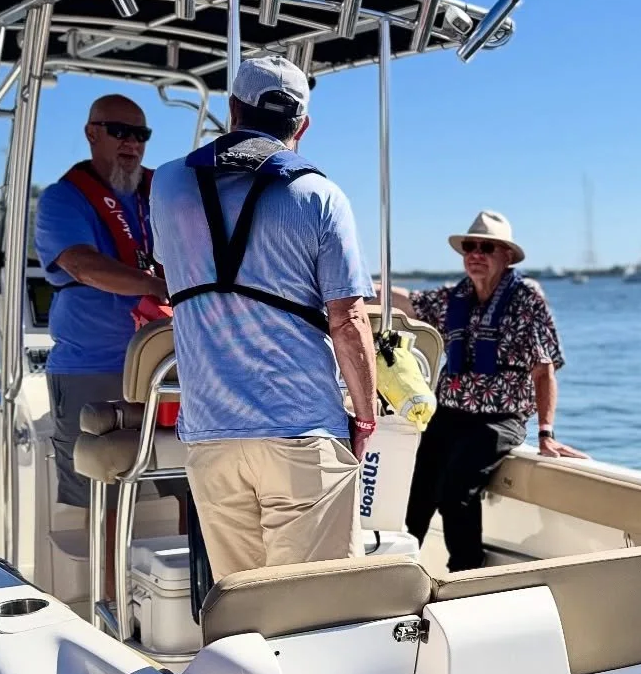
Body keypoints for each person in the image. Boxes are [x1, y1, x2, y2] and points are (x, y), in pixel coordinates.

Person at [149, 55, 379, 582]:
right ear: (303, 124)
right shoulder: (321, 196)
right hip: (302, 435)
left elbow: (171, 272)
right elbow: (347, 321)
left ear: (232, 109)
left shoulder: (166, 185)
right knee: (314, 611)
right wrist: (364, 418)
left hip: (211, 437)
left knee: (241, 604)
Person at [384, 211, 582, 572]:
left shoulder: (525, 296)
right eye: (470, 247)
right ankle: (397, 569)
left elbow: (544, 369)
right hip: (449, 414)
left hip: (499, 418)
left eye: (486, 247)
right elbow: (406, 300)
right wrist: (351, 286)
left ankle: (464, 574)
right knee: (415, 491)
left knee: (456, 490)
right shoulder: (456, 296)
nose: (476, 253)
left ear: (506, 255)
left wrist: (546, 433)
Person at [34, 93, 169, 513]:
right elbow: (83, 265)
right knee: (100, 500)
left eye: (140, 134)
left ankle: (194, 581)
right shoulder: (62, 200)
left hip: (164, 369)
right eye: (119, 131)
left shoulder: (164, 192)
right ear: (92, 133)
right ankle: (106, 581)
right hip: (91, 370)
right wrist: (161, 287)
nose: (131, 143)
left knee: (189, 488)